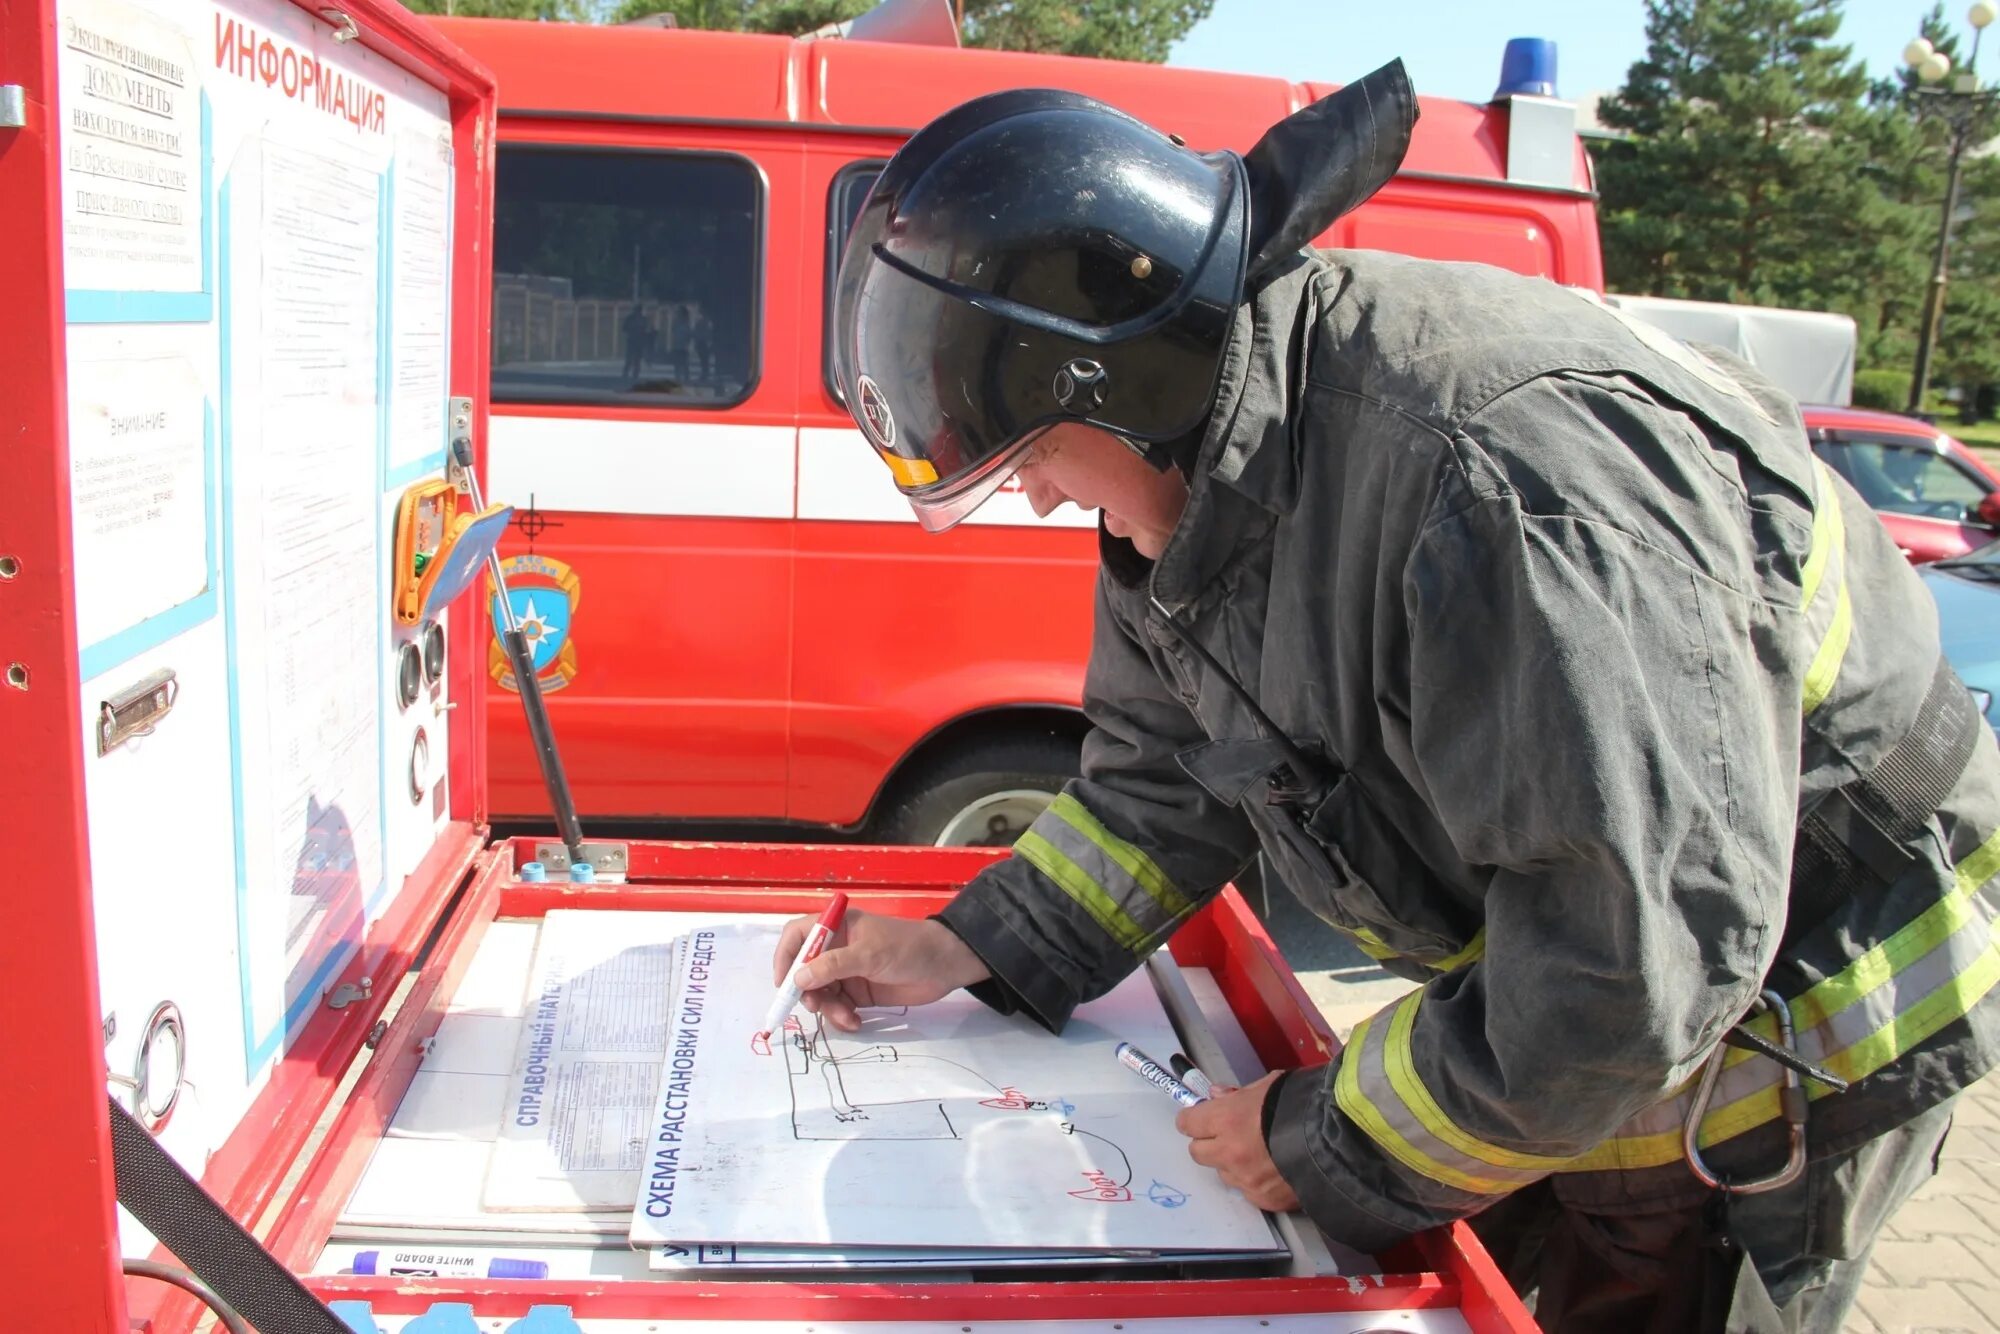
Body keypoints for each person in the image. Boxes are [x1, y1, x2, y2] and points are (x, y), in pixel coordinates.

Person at [778, 61, 2000, 1333]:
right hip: (1590, 1009)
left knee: (1643, 1277)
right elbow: (1160, 780)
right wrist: (970, 947)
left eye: (1029, 457)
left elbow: (1621, 970)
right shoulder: (1197, 486)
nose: (1031, 498)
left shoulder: (1504, 486)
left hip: (1783, 1031)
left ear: (1120, 384)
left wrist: (1320, 1136)